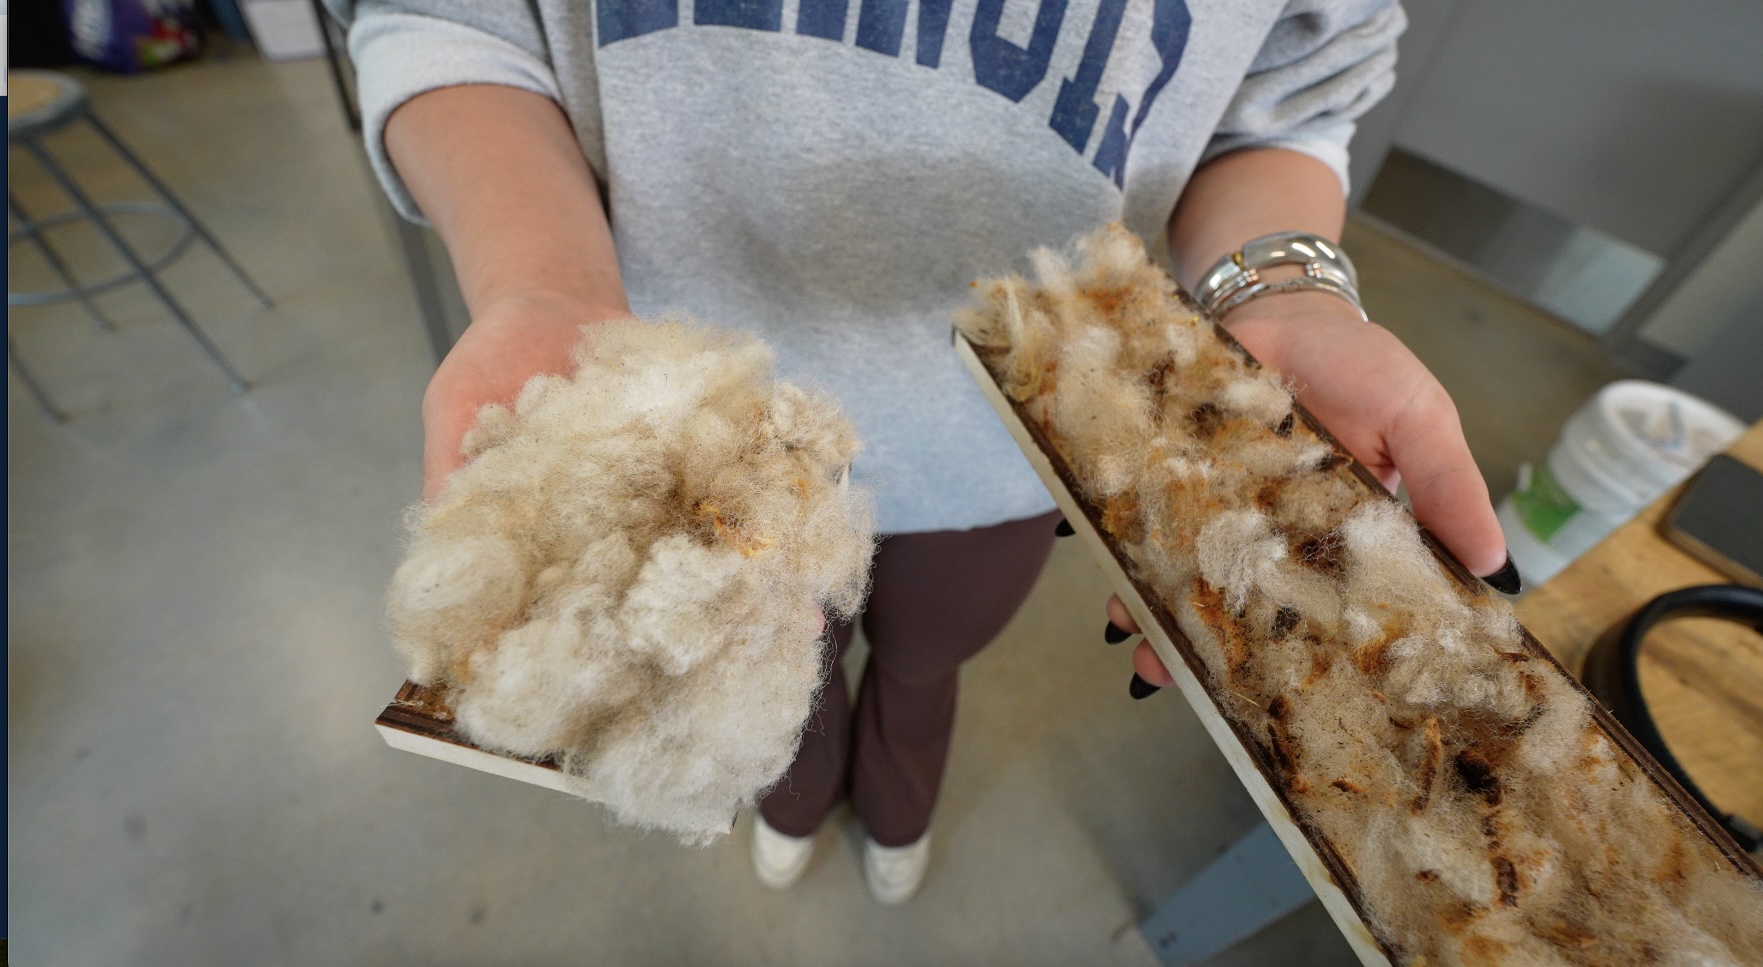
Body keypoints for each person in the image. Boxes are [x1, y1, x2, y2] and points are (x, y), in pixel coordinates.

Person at [346, 0, 1517, 905]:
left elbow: (1279, 109)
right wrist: (542, 283)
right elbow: (457, 24)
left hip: (998, 438)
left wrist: (1284, 295)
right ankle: (793, 803)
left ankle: (896, 805)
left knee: (922, 662)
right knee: (771, 685)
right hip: (679, 430)